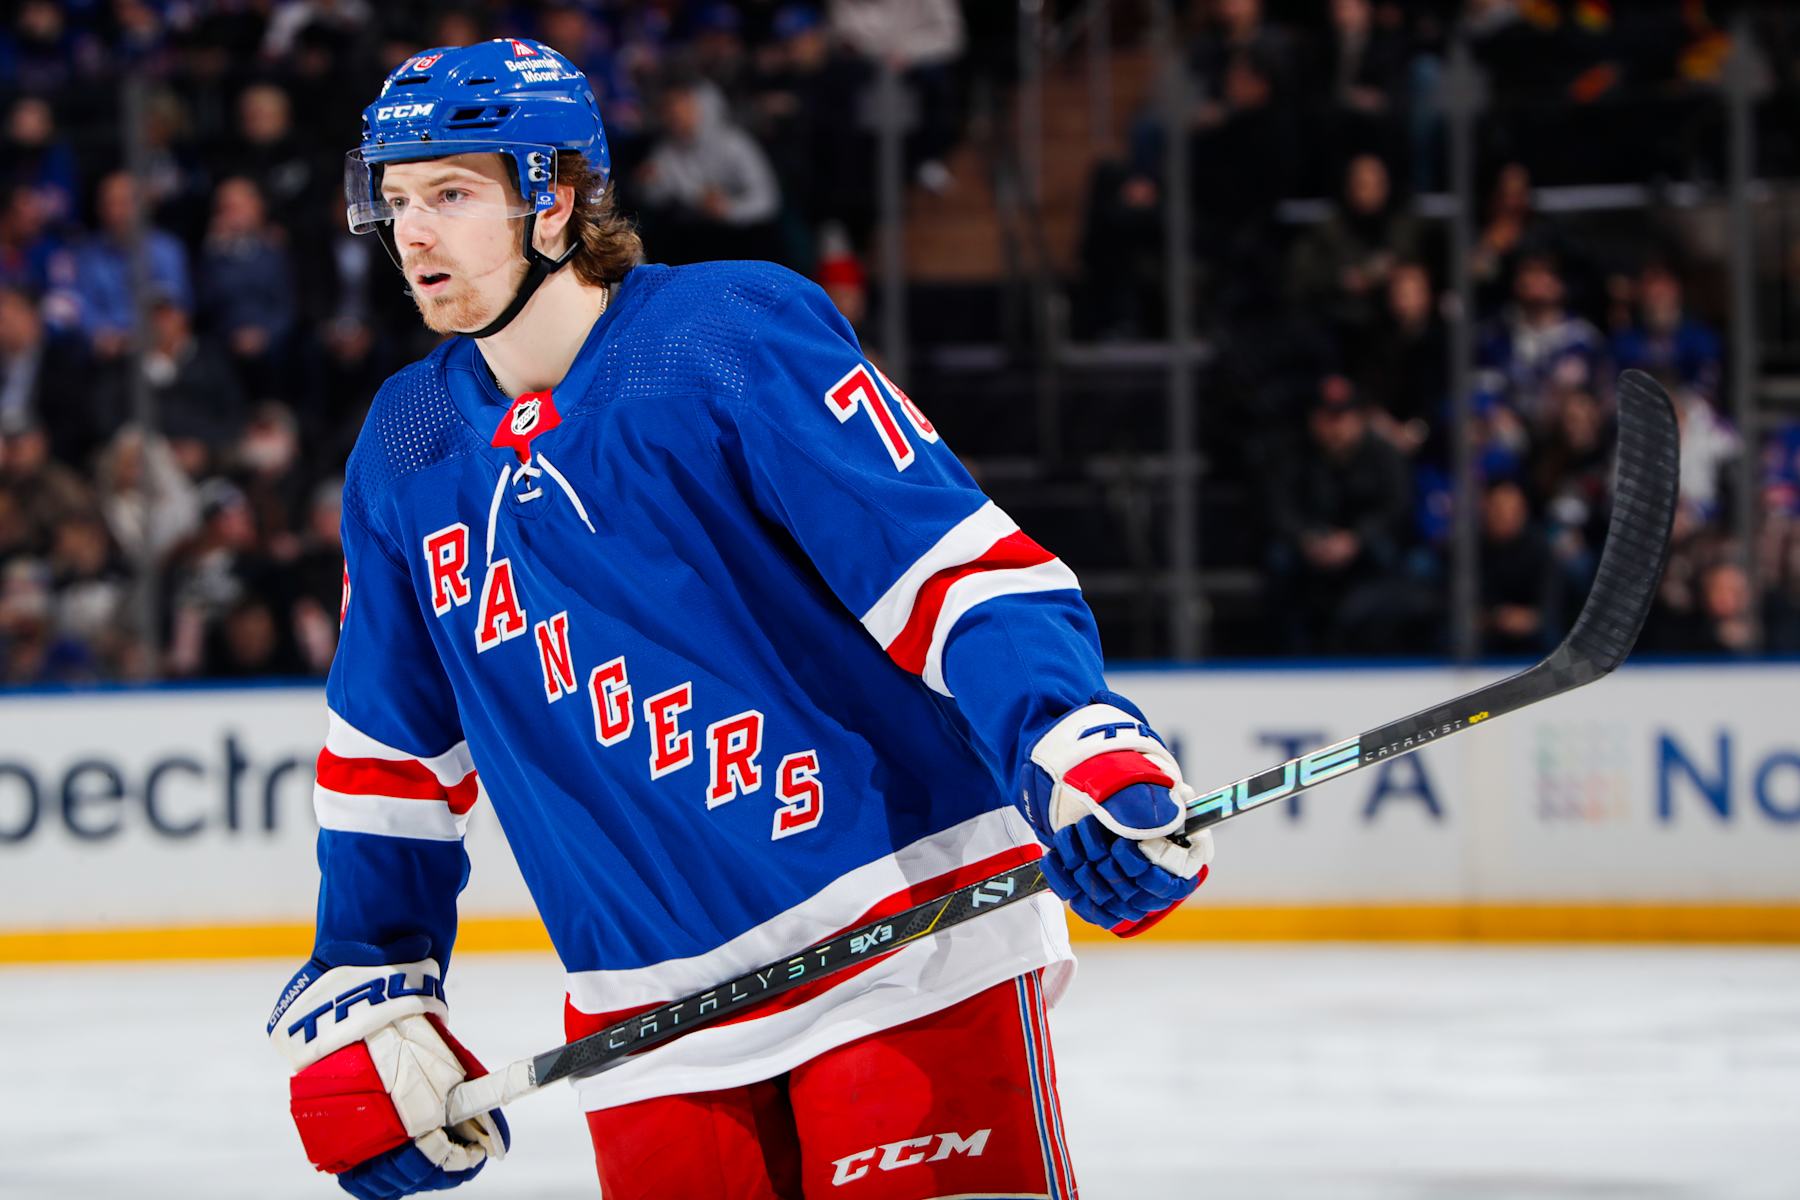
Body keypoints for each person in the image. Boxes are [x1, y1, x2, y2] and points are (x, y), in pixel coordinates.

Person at [265, 38, 1213, 1200]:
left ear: (554, 198)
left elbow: (949, 568)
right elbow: (390, 753)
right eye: (398, 199)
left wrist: (1069, 738)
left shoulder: (727, 334)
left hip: (898, 944)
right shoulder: (404, 448)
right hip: (646, 1019)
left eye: (454, 194)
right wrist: (375, 972)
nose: (414, 234)